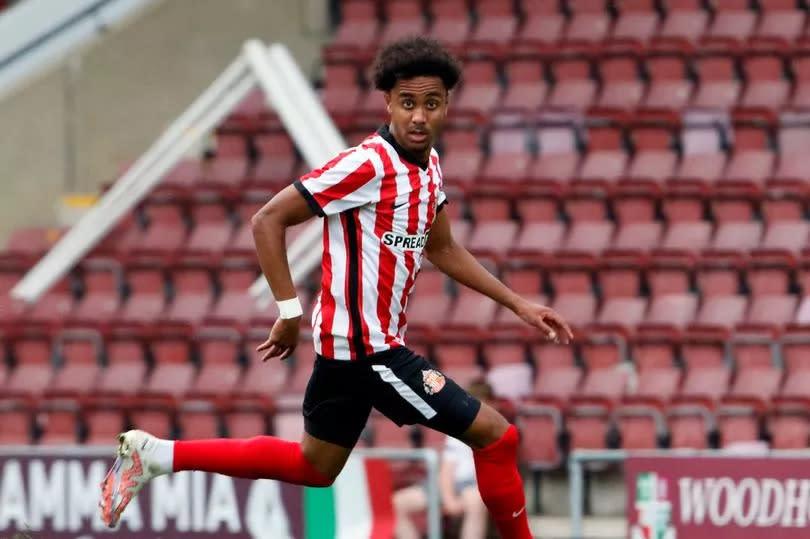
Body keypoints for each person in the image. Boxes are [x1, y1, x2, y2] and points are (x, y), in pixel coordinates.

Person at [99, 36, 572, 539]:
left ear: (446, 106)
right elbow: (268, 219)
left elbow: (444, 250)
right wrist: (289, 311)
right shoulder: (367, 164)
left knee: (314, 468)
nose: (418, 116)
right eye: (407, 103)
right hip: (370, 352)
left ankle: (158, 454)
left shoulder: (429, 170)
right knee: (498, 438)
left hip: (350, 353)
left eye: (430, 104)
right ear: (388, 102)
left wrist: (517, 303)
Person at [393, 380, 496, 539]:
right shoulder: (458, 427)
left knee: (475, 500)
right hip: (449, 485)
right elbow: (447, 470)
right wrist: (449, 499)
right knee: (397, 502)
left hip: (476, 486)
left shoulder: (497, 432)